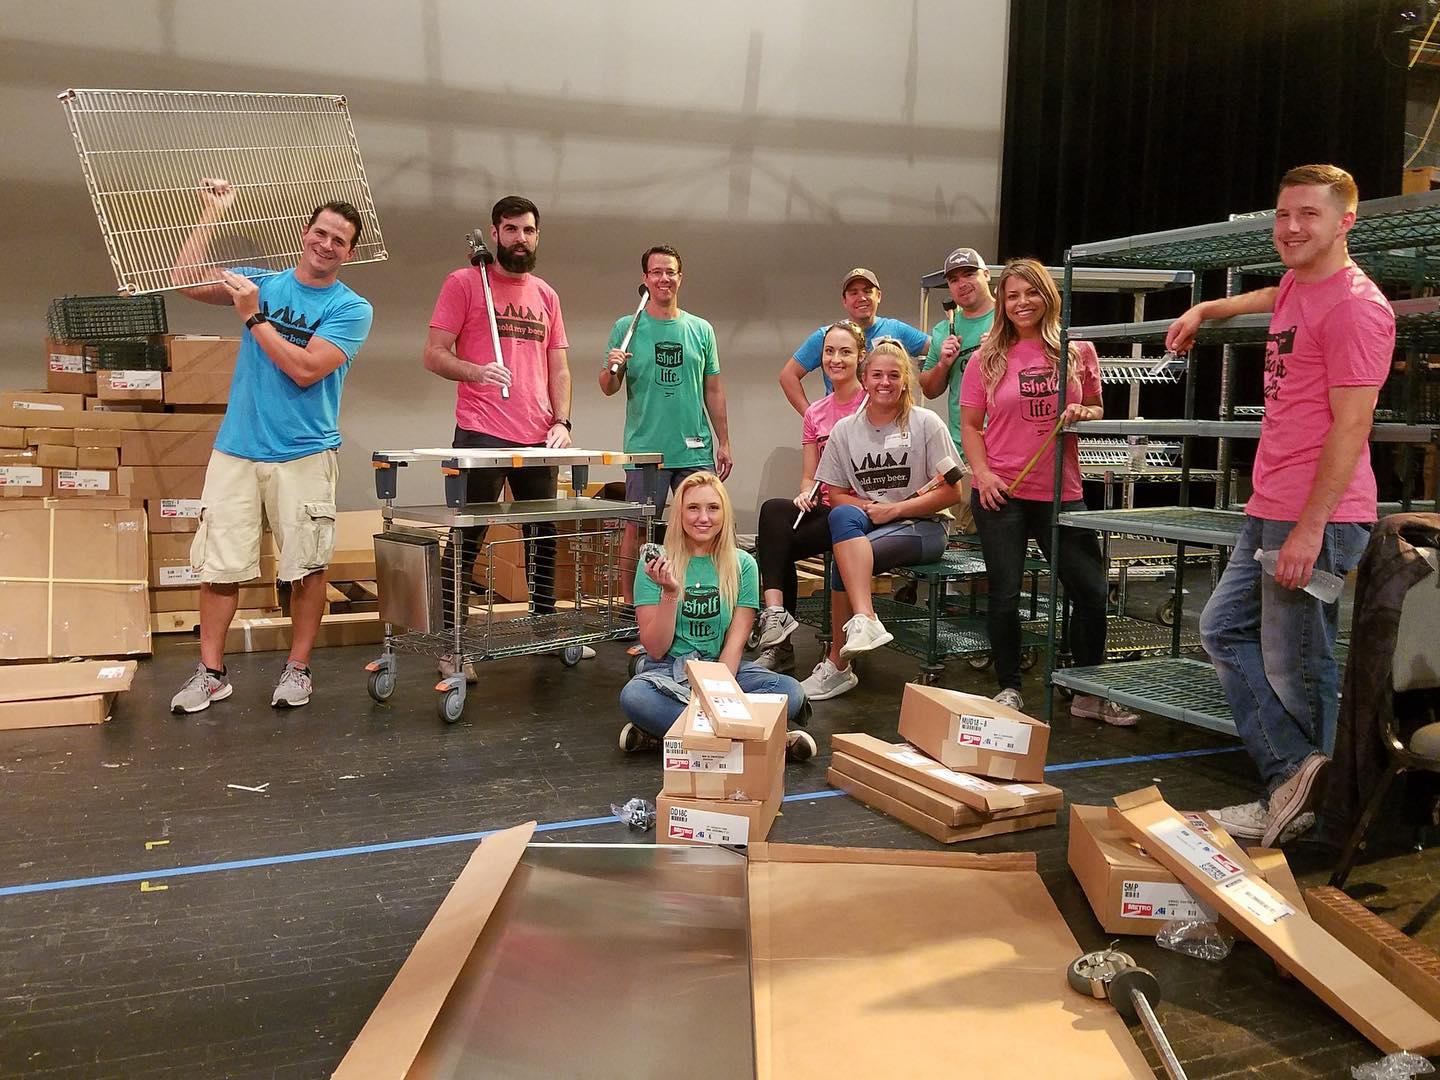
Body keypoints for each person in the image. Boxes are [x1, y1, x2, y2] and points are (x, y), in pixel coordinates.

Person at [1166, 164, 1394, 847]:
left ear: (1345, 222)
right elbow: (1276, 289)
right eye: (1283, 214)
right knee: (1225, 630)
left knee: (1301, 667)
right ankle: (1298, 783)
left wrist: (1309, 529)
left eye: (1309, 216)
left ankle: (1318, 808)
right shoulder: (1302, 282)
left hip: (1314, 516)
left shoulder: (1357, 307)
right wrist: (1211, 308)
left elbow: (1352, 428)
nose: (1291, 228)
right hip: (1272, 505)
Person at [168, 177, 373, 714]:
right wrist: (212, 211)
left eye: (339, 240)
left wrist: (254, 316)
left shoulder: (352, 309)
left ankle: (298, 669)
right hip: (236, 448)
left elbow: (306, 370)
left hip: (304, 452)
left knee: (306, 567)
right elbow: (184, 279)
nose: (327, 245)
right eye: (321, 233)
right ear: (305, 234)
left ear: (349, 253)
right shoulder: (263, 282)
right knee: (220, 565)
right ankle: (211, 673)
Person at [959, 258, 1137, 727]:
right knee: (1004, 594)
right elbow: (971, 427)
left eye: (1031, 293)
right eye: (1013, 295)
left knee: (1092, 590)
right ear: (1002, 302)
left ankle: (1087, 691)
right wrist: (984, 475)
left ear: (1049, 297)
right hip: (1002, 491)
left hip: (1061, 490)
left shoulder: (1078, 352)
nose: (1022, 303)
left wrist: (1082, 410)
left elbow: (1098, 408)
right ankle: (1009, 687)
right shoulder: (985, 358)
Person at [422, 195, 574, 681]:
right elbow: (434, 354)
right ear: (495, 233)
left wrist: (562, 421)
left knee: (543, 536)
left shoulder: (546, 294)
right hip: (481, 433)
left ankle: (546, 628)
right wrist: (475, 371)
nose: (520, 239)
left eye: (528, 230)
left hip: (537, 436)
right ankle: (454, 644)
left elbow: (559, 365)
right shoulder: (464, 284)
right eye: (511, 230)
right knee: (468, 537)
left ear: (538, 235)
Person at [800, 340, 965, 701]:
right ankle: (865, 621)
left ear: (906, 380)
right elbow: (837, 494)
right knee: (842, 514)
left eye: (894, 375)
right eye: (877, 375)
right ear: (865, 378)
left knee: (845, 563)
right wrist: (869, 506)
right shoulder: (845, 430)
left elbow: (954, 492)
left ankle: (840, 662)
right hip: (872, 521)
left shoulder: (927, 423)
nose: (885, 382)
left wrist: (894, 510)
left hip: (924, 526)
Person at [618, 472, 815, 760]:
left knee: (791, 692)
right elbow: (656, 648)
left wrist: (717, 693)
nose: (703, 517)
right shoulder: (657, 563)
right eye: (693, 508)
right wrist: (670, 591)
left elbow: (735, 644)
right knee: (635, 696)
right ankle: (758, 741)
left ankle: (673, 735)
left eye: (713, 508)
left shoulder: (743, 564)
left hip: (723, 668)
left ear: (724, 513)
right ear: (680, 513)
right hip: (669, 671)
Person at [598, 244, 732, 606]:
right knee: (637, 529)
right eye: (656, 272)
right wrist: (615, 366)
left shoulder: (700, 329)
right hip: (646, 448)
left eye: (670, 271)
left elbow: (714, 389)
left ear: (680, 277)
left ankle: (710, 599)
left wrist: (724, 441)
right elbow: (608, 387)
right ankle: (630, 605)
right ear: (645, 279)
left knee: (706, 527)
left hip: (694, 447)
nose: (664, 278)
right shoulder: (626, 328)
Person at [752, 320, 869, 673]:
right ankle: (776, 621)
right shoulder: (815, 412)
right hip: (824, 508)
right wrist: (805, 493)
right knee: (775, 514)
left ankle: (783, 639)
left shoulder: (872, 405)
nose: (836, 359)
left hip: (856, 514)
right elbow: (809, 476)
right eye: (829, 352)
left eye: (845, 352)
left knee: (782, 540)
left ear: (860, 357)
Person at [778, 268, 929, 415]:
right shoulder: (827, 336)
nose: (861, 297)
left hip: (887, 423)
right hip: (838, 425)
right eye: (853, 293)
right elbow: (788, 376)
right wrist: (812, 418)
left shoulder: (896, 329)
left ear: (879, 296)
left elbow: (937, 348)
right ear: (844, 300)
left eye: (867, 291)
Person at [919, 246, 996, 533]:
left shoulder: (1010, 318)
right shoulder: (944, 330)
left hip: (1009, 447)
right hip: (966, 449)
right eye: (954, 279)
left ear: (986, 275)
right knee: (971, 536)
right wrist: (943, 363)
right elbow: (928, 389)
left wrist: (1004, 349)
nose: (962, 283)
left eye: (969, 274)